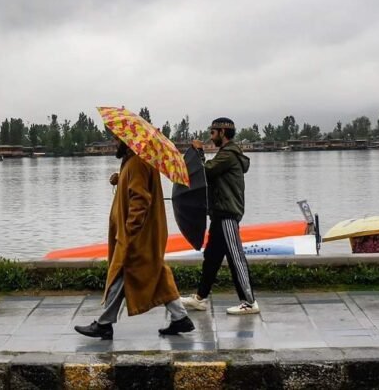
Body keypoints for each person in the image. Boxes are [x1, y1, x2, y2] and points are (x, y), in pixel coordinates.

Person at [75, 136, 194, 339]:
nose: (115, 143)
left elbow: (140, 199)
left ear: (128, 142)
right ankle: (180, 318)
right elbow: (134, 185)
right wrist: (120, 178)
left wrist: (130, 231)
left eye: (117, 140)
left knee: (121, 272)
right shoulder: (135, 160)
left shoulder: (138, 162)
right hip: (144, 234)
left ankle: (104, 323)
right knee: (157, 272)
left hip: (137, 235)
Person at [181, 117, 259, 315]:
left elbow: (205, 171)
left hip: (227, 214)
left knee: (236, 257)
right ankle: (200, 298)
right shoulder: (225, 153)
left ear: (222, 133)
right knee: (211, 257)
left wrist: (198, 152)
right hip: (219, 213)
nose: (210, 136)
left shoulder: (229, 154)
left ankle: (249, 302)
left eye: (213, 132)